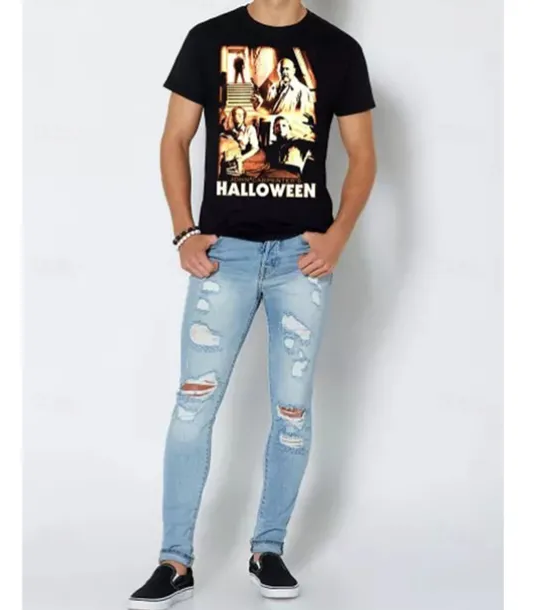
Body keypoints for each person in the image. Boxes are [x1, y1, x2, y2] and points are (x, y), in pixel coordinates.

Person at [128, 1, 376, 608]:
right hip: (225, 257)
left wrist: (338, 236)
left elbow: (364, 155)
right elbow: (175, 138)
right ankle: (175, 562)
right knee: (194, 406)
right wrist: (184, 231)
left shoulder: (339, 50)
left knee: (292, 411)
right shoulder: (209, 39)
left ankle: (269, 549)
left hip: (301, 259)